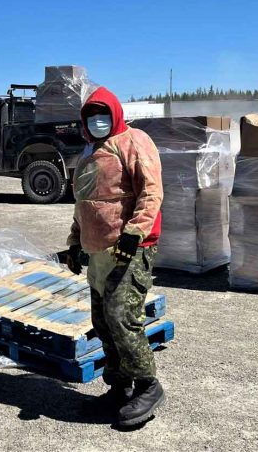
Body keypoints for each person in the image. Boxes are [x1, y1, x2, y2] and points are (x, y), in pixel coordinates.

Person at [66, 86, 165, 427]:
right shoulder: (89, 151)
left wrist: (133, 234)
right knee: (103, 321)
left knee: (122, 317)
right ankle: (119, 386)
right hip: (98, 252)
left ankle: (148, 385)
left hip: (129, 249)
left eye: (103, 115)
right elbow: (85, 202)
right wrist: (76, 241)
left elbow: (151, 192)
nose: (97, 121)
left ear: (115, 114)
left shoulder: (134, 141)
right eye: (91, 116)